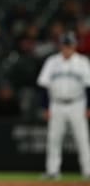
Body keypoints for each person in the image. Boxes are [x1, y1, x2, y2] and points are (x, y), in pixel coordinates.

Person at [37, 31, 90, 180]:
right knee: (54, 139)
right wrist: (46, 107)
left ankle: (88, 171)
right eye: (65, 45)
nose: (67, 48)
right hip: (57, 104)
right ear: (61, 46)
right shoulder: (52, 61)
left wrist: (88, 107)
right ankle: (52, 171)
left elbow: (88, 87)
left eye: (69, 45)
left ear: (74, 46)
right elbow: (43, 86)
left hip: (77, 104)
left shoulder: (82, 62)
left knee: (82, 138)